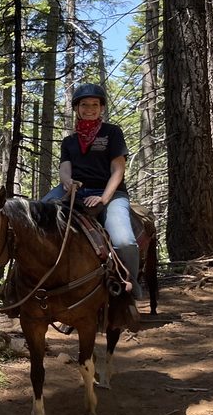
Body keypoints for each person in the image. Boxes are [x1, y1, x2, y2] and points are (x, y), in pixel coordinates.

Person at [42, 83, 142, 299]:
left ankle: (131, 284)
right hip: (76, 190)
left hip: (110, 192)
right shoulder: (69, 141)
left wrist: (103, 198)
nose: (90, 108)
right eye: (84, 104)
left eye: (95, 104)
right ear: (77, 108)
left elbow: (118, 169)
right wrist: (67, 182)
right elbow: (65, 168)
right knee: (39, 215)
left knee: (124, 240)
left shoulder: (112, 133)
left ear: (102, 107)